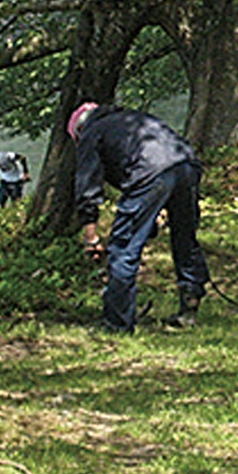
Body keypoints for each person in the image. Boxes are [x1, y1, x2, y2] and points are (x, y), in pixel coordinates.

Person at [67, 102, 210, 333]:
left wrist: (91, 236)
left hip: (151, 173)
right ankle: (189, 307)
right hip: (186, 164)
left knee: (123, 248)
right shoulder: (132, 118)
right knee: (185, 237)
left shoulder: (91, 133)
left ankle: (118, 325)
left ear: (78, 131)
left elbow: (87, 187)